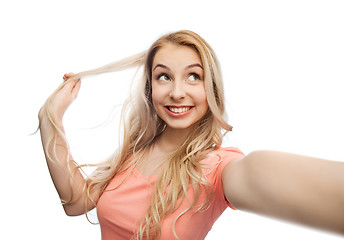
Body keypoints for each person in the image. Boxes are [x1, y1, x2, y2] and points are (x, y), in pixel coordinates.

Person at [38, 30, 344, 240]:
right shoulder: (134, 153)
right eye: (164, 77)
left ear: (210, 87)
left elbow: (255, 174)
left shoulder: (217, 168)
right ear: (150, 88)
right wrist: (50, 117)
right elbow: (76, 203)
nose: (177, 92)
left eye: (193, 76)